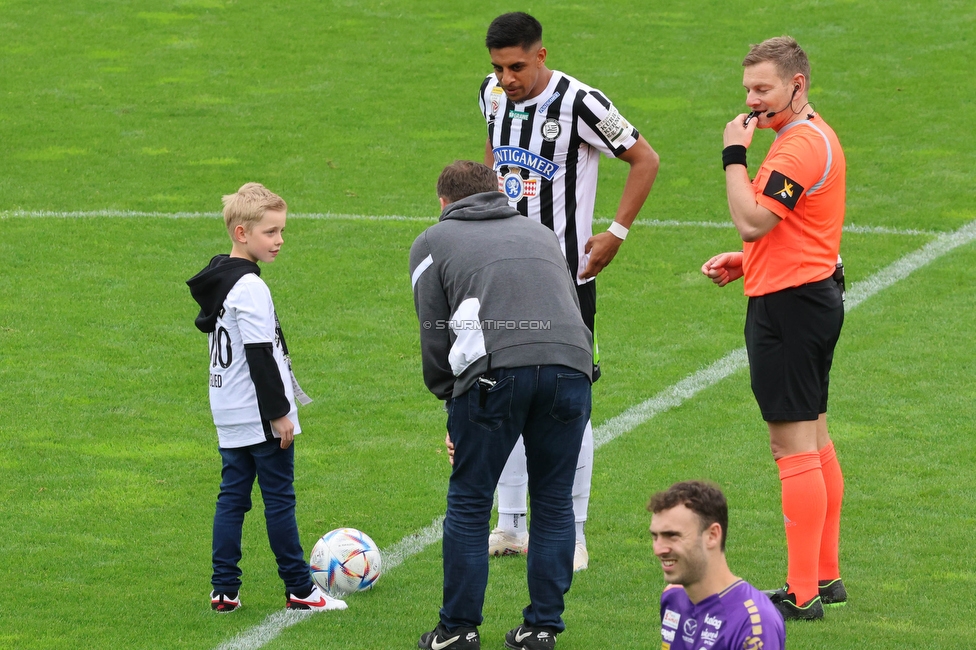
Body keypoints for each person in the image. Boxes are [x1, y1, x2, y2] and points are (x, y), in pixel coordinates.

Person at [478, 11, 660, 570]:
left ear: (541, 55)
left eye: (516, 67)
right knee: (496, 394)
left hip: (562, 281)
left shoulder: (582, 103)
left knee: (567, 406)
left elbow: (643, 158)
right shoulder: (489, 94)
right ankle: (509, 524)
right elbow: (493, 159)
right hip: (500, 276)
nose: (507, 79)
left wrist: (616, 233)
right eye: (498, 68)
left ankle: (571, 532)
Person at [411, 161, 593, 650]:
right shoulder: (540, 233)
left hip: (496, 373)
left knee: (470, 501)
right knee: (553, 500)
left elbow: (435, 332)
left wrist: (451, 402)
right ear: (497, 192)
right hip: (573, 367)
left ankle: (458, 630)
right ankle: (541, 629)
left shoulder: (432, 241)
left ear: (444, 202)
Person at [701, 36, 848, 621]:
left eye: (762, 89)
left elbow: (754, 218)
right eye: (747, 90)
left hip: (790, 309)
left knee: (791, 449)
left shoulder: (796, 148)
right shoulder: (806, 136)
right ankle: (826, 576)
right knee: (813, 439)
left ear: (797, 84)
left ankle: (802, 592)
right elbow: (793, 228)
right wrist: (746, 261)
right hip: (808, 295)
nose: (752, 102)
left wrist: (733, 155)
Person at [187, 182, 346, 614]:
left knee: (232, 499)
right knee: (279, 500)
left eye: (281, 231)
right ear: (242, 233)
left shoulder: (221, 280)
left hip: (228, 409)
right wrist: (279, 415)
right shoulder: (251, 288)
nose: (279, 241)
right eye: (270, 232)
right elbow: (260, 356)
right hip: (259, 414)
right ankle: (300, 588)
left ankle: (224, 590)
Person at [648, 481, 785, 649]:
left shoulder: (754, 622)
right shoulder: (673, 597)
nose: (658, 549)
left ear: (712, 535)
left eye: (672, 536)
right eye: (655, 536)